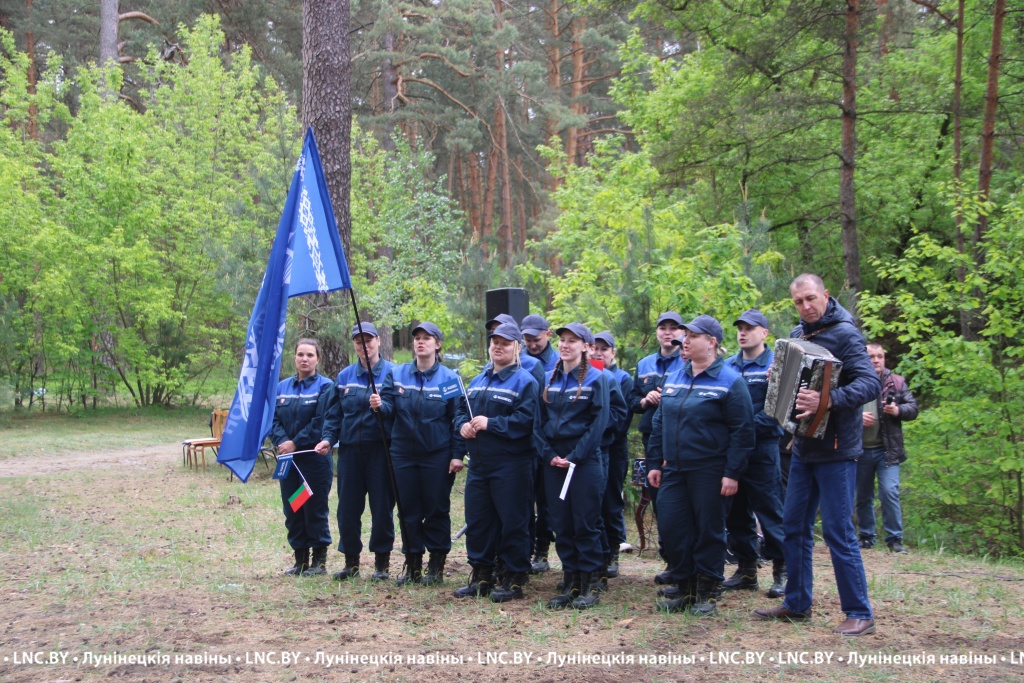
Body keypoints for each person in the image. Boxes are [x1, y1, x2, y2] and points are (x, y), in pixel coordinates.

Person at [753, 274, 882, 637]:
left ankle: (860, 613)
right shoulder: (798, 335)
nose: (806, 306)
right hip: (803, 446)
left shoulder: (846, 334)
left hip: (837, 448)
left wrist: (827, 400)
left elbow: (869, 383)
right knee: (793, 526)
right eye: (798, 302)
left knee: (839, 531)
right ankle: (797, 603)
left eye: (811, 298)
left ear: (826, 295)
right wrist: (778, 375)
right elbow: (797, 382)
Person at [646, 315, 755, 615]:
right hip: (674, 468)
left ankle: (707, 590)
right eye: (685, 337)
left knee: (708, 530)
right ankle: (685, 587)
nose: (685, 341)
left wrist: (733, 473)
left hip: (710, 469)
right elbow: (659, 424)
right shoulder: (675, 377)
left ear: (711, 342)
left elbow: (743, 431)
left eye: (692, 336)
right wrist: (654, 462)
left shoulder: (730, 381)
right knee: (673, 527)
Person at [453, 323, 540, 602]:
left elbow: (527, 421)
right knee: (478, 521)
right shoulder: (479, 380)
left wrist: (492, 424)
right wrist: (462, 426)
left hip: (511, 464)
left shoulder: (526, 382)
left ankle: (514, 577)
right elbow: (461, 411)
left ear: (518, 347)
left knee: (514, 522)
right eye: (494, 342)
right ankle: (482, 575)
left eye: (505, 343)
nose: (498, 347)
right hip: (479, 464)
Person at [376, 322, 465, 586]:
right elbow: (389, 409)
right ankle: (413, 563)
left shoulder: (449, 378)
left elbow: (458, 418)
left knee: (436, 509)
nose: (420, 342)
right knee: (408, 510)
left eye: (427, 338)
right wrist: (380, 405)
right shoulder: (398, 374)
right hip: (403, 454)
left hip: (437, 455)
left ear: (438, 344)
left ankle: (436, 565)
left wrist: (457, 454)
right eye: (417, 338)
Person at [536, 322, 610, 609]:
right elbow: (537, 422)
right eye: (563, 340)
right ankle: (571, 582)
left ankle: (590, 584)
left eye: (572, 341)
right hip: (554, 461)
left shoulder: (596, 379)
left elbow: (599, 423)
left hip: (584, 462)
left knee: (585, 523)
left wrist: (575, 457)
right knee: (561, 524)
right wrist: (549, 454)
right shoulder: (547, 378)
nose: (565, 345)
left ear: (586, 347)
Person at [314, 323, 396, 582]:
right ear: (354, 345)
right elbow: (334, 414)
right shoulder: (345, 376)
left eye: (368, 340)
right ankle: (351, 562)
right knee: (347, 509)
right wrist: (328, 439)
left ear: (378, 341)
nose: (364, 345)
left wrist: (383, 406)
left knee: (382, 508)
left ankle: (382, 563)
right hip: (350, 451)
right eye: (359, 341)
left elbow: (399, 411)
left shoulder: (393, 373)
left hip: (381, 450)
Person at [723, 310, 788, 598]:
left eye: (749, 328)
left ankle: (783, 570)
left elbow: (776, 413)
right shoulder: (727, 367)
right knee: (736, 512)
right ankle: (746, 569)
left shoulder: (777, 365)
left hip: (762, 449)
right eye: (740, 328)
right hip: (733, 451)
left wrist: (741, 429)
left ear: (764, 332)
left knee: (770, 510)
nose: (743, 332)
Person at [627, 312, 685, 584]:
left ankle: (685, 562)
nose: (668, 332)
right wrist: (645, 400)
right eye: (663, 328)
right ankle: (670, 560)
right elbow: (632, 400)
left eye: (674, 328)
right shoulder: (645, 363)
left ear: (682, 333)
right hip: (652, 436)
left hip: (680, 438)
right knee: (660, 500)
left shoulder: (687, 360)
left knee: (680, 501)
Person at [271, 339, 335, 576]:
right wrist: (282, 442)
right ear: (294, 358)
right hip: (289, 461)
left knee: (313, 508)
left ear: (318, 359)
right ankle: (300, 560)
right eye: (300, 354)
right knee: (294, 507)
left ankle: (319, 561)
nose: (304, 359)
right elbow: (272, 419)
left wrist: (295, 442)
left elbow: (321, 421)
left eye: (310, 355)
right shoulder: (281, 387)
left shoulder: (325, 386)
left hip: (313, 459)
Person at [856, 343, 918, 553]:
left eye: (880, 356)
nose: (876, 360)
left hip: (887, 450)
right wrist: (857, 418)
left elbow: (913, 408)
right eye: (871, 356)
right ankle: (866, 536)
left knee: (889, 491)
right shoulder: (854, 381)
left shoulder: (896, 382)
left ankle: (894, 539)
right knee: (863, 495)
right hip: (859, 449)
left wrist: (898, 410)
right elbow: (840, 409)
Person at [591, 331, 634, 579]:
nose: (598, 353)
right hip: (590, 449)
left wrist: (595, 432)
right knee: (593, 502)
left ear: (613, 352)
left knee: (611, 500)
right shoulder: (584, 376)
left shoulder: (622, 378)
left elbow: (621, 418)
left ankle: (613, 552)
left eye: (604, 349)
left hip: (613, 447)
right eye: (595, 348)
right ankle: (597, 553)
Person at [521, 313, 557, 573]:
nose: (532, 344)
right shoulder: (518, 360)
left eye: (536, 339)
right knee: (523, 498)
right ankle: (526, 548)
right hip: (522, 441)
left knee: (545, 501)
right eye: (527, 340)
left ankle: (542, 551)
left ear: (548, 334)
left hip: (548, 441)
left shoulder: (559, 361)